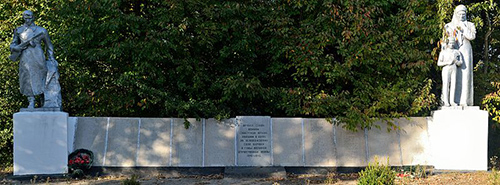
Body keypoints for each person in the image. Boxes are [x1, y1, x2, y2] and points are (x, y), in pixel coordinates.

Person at [10, 10, 60, 109]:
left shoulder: (41, 30)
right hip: (25, 57)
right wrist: (17, 48)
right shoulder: (19, 30)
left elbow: (49, 46)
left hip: (38, 57)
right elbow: (13, 44)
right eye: (25, 17)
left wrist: (51, 58)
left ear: (33, 17)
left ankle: (44, 100)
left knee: (41, 77)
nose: (27, 19)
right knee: (26, 78)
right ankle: (31, 101)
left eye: (29, 17)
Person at [444, 5, 476, 106]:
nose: (462, 16)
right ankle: (450, 101)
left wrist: (463, 28)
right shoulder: (449, 25)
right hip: (453, 50)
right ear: (456, 14)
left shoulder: (470, 25)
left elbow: (472, 36)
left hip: (466, 50)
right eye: (459, 14)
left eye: (463, 14)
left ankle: (464, 101)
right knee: (453, 76)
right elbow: (445, 41)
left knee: (465, 74)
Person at [438, 37, 462, 106]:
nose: (451, 45)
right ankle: (446, 101)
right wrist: (447, 62)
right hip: (446, 68)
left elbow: (460, 62)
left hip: (454, 68)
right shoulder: (443, 52)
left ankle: (452, 101)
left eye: (453, 43)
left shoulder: (457, 52)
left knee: (453, 84)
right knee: (446, 84)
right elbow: (439, 63)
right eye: (450, 43)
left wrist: (456, 61)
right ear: (447, 43)